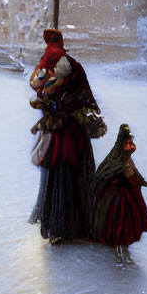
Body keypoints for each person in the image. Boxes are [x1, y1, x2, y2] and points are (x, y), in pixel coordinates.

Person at [28, 28, 101, 243]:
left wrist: (57, 105)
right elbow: (84, 96)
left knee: (62, 174)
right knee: (65, 174)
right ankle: (67, 226)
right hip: (65, 131)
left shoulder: (57, 65)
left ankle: (63, 226)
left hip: (65, 132)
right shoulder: (59, 65)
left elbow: (80, 97)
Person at [91, 124, 147, 265]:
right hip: (117, 197)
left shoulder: (128, 160)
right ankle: (119, 248)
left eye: (131, 143)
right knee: (119, 222)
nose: (131, 146)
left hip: (130, 195)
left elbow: (134, 173)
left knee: (129, 221)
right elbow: (105, 174)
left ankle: (124, 247)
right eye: (127, 143)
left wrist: (141, 181)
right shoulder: (115, 159)